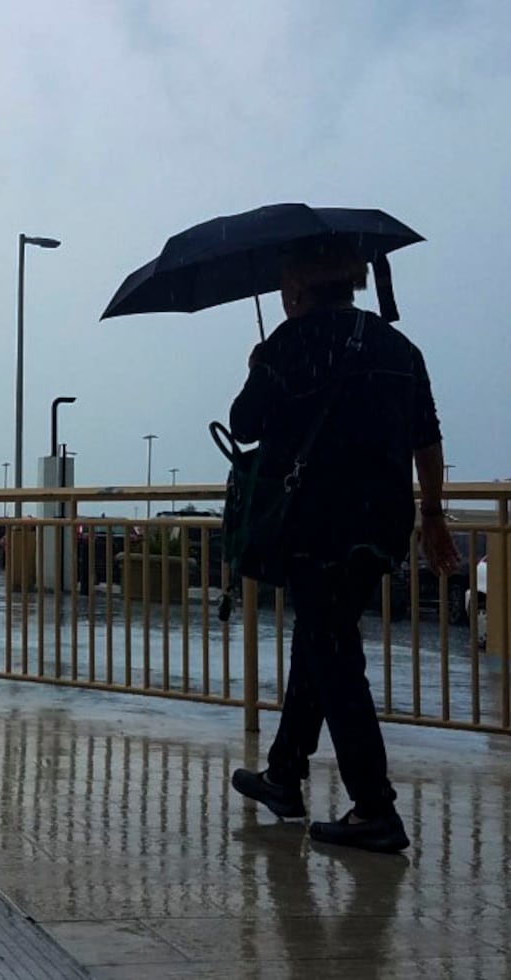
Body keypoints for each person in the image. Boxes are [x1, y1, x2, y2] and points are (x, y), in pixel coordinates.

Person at [228, 240, 458, 854]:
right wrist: (432, 515)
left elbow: (245, 423)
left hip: (315, 528)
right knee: (321, 638)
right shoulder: (397, 347)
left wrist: (258, 367)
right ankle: (283, 773)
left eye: (285, 281)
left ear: (300, 285)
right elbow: (427, 437)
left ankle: (375, 808)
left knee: (333, 656)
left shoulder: (289, 344)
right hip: (381, 526)